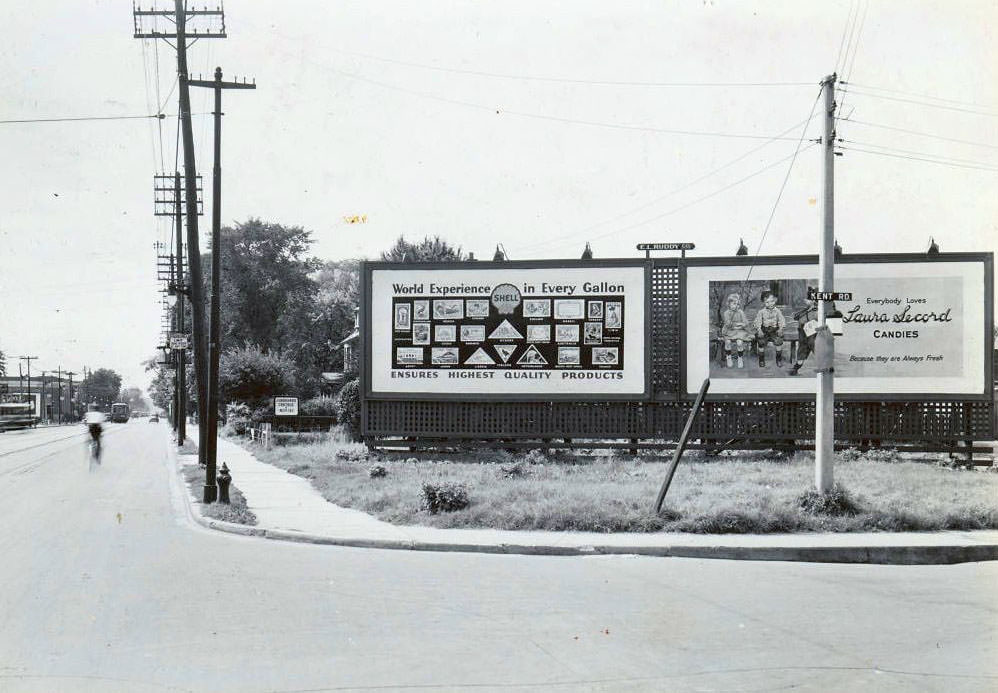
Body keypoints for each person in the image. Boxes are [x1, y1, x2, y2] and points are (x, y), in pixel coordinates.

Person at [753, 291, 786, 368]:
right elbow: (757, 321)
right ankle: (761, 359)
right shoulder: (761, 312)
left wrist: (781, 328)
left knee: (778, 342)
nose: (770, 304)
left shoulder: (777, 311)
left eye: (772, 301)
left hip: (775, 330)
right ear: (763, 302)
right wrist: (759, 330)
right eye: (767, 302)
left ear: (775, 300)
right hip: (764, 329)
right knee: (761, 342)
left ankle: (778, 359)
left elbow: (781, 320)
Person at [719, 293, 753, 368]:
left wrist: (741, 325)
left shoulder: (740, 312)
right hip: (729, 331)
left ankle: (740, 358)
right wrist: (739, 324)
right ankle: (729, 357)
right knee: (727, 342)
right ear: (729, 304)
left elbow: (745, 322)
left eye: (737, 304)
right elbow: (728, 324)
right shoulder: (726, 313)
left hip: (739, 332)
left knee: (739, 342)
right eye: (734, 304)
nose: (736, 306)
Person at [788, 300, 819, 375]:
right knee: (802, 347)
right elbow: (795, 317)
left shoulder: (818, 310)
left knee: (813, 344)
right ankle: (796, 367)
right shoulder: (806, 309)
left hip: (813, 329)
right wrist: (807, 309)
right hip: (802, 330)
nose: (805, 301)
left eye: (808, 300)